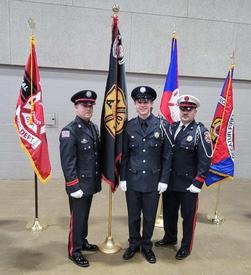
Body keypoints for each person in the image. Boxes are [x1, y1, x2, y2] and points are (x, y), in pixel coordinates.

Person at [155, 94, 212, 260]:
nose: (186, 112)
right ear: (179, 109)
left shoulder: (200, 132)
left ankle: (186, 246)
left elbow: (206, 158)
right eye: (183, 108)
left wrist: (198, 182)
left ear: (195, 111)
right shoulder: (172, 127)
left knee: (187, 217)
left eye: (189, 109)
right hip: (171, 182)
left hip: (188, 185)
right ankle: (169, 237)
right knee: (169, 213)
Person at [120, 86, 172, 264]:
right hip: (133, 179)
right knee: (133, 215)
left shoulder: (162, 125)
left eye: (146, 102)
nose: (143, 105)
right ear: (135, 104)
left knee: (149, 216)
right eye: (139, 102)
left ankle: (147, 246)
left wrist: (164, 179)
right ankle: (133, 244)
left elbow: (166, 156)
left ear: (151, 104)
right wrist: (123, 178)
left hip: (152, 180)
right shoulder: (128, 126)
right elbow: (125, 155)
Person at [59, 90, 101, 268]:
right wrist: (73, 185)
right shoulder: (69, 131)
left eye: (91, 105)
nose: (88, 108)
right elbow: (67, 162)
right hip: (79, 185)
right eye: (84, 105)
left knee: (84, 217)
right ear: (76, 107)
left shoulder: (92, 127)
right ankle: (74, 251)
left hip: (90, 182)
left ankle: (82, 241)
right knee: (77, 218)